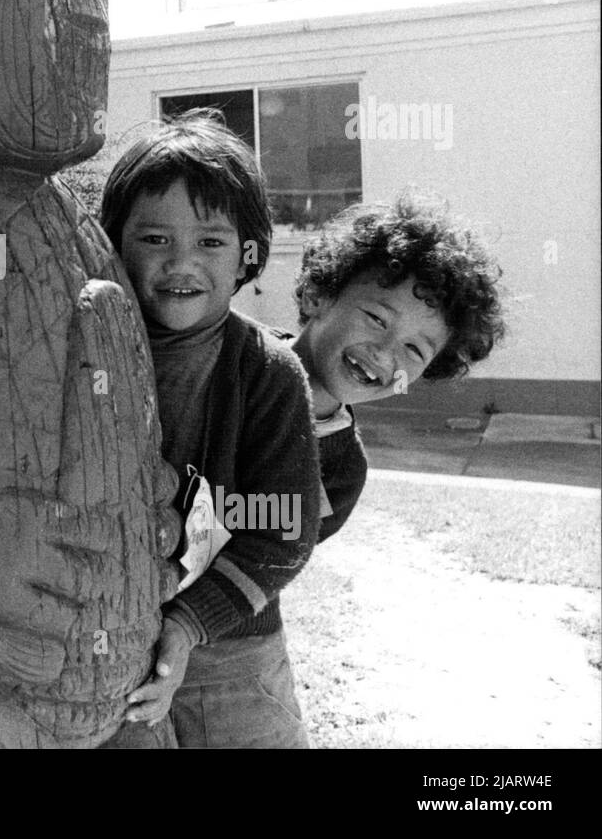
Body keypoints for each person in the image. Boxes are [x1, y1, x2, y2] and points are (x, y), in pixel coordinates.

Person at [101, 109, 322, 748]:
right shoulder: (81, 355)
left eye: (211, 242)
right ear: (114, 243)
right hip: (110, 643)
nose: (182, 264)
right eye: (154, 240)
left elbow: (281, 534)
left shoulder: (269, 374)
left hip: (231, 650)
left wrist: (188, 625)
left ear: (247, 257)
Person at [284, 192, 506, 542]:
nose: (385, 352)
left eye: (415, 350)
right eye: (376, 318)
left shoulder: (342, 474)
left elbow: (270, 562)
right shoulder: (221, 353)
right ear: (317, 296)